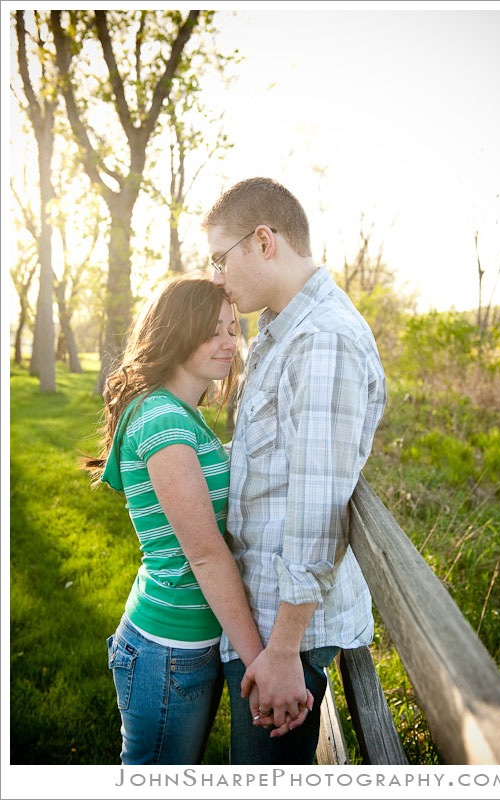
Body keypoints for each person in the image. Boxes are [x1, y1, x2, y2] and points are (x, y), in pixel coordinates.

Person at [80, 275, 310, 765]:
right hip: (169, 649)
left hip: (188, 646)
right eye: (212, 331)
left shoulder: (181, 415)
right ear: (177, 332)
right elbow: (205, 554)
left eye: (232, 328)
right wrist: (261, 665)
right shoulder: (164, 421)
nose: (229, 343)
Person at [202, 177, 387, 764]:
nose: (215, 277)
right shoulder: (282, 331)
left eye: (219, 258)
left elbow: (315, 512)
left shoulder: (321, 340)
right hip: (265, 619)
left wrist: (282, 652)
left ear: (263, 241)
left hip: (287, 639)